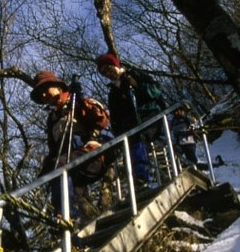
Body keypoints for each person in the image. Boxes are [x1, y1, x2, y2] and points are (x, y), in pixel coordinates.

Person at [30, 70, 112, 221]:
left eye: (45, 89)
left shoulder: (75, 102)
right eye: (39, 94)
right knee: (79, 201)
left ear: (58, 87)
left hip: (90, 156)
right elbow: (53, 149)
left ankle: (63, 217)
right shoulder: (53, 119)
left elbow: (101, 120)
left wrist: (81, 100)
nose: (43, 96)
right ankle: (73, 238)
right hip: (69, 166)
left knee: (59, 166)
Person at [95, 53, 166, 188]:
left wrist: (136, 85)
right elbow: (115, 116)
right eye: (104, 73)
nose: (108, 74)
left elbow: (155, 91)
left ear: (116, 65)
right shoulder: (113, 92)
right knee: (129, 145)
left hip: (148, 116)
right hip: (130, 126)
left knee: (137, 141)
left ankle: (141, 177)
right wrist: (117, 133)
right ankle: (137, 180)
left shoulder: (135, 75)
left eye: (109, 69)